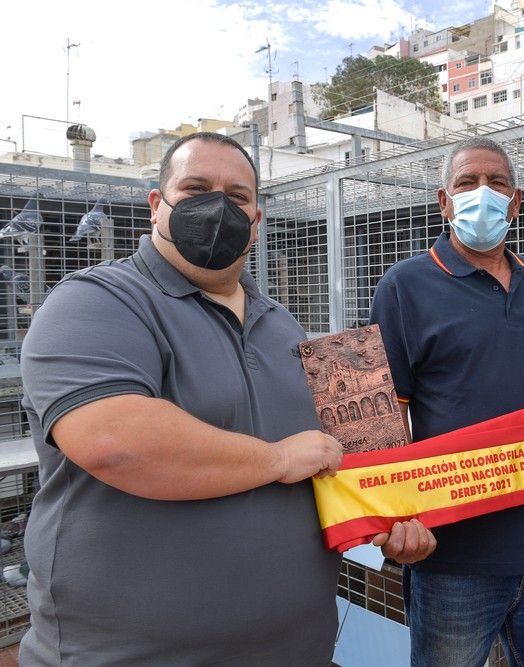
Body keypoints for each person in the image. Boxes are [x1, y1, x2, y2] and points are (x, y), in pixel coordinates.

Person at [19, 132, 345, 665]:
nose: (217, 207)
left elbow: (329, 451)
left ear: (256, 220)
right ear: (157, 205)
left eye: (237, 196)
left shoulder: (283, 324)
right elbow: (115, 442)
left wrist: (387, 509)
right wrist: (279, 459)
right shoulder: (95, 302)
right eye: (195, 188)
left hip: (298, 648)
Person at [368, 137, 524, 667]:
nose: (482, 193)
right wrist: (390, 518)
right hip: (452, 560)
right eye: (467, 183)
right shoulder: (404, 286)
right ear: (444, 201)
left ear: (516, 201)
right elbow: (384, 416)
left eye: (497, 183)